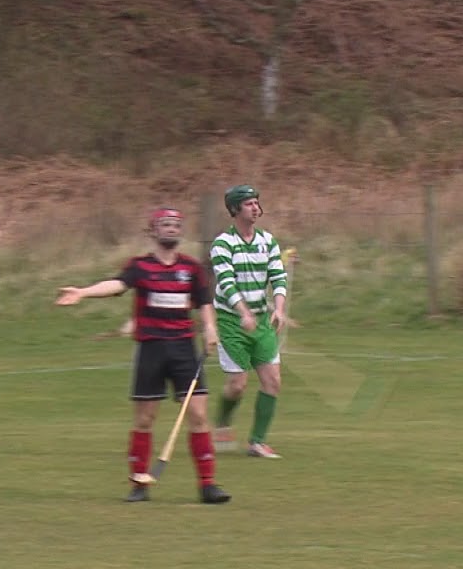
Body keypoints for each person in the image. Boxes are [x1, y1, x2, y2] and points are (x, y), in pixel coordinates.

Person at [56, 207, 231, 504]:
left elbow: (204, 303)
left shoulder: (191, 268)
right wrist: (83, 292)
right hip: (151, 348)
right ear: (153, 231)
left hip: (184, 349)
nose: (171, 228)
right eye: (165, 224)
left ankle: (208, 485)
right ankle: (139, 484)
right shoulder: (140, 266)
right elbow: (117, 284)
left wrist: (211, 329)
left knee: (199, 415)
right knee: (145, 419)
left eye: (176, 224)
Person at [210, 185, 289, 459]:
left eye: (256, 202)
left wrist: (279, 309)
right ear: (235, 209)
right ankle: (222, 422)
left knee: (273, 381)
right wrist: (243, 313)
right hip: (232, 321)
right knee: (237, 385)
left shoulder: (268, 241)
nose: (255, 208)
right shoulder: (223, 244)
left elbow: (278, 276)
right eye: (248, 204)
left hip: (262, 320)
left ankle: (257, 442)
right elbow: (226, 282)